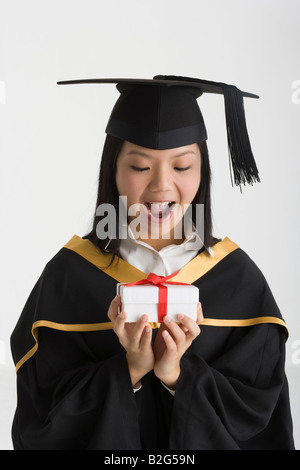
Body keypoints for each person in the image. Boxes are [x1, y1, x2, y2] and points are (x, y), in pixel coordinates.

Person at [10, 75, 295, 450]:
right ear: (112, 170)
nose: (161, 187)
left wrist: (178, 376)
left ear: (202, 171)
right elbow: (41, 413)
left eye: (181, 167)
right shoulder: (69, 278)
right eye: (141, 167)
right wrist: (128, 370)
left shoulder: (238, 280)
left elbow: (260, 414)